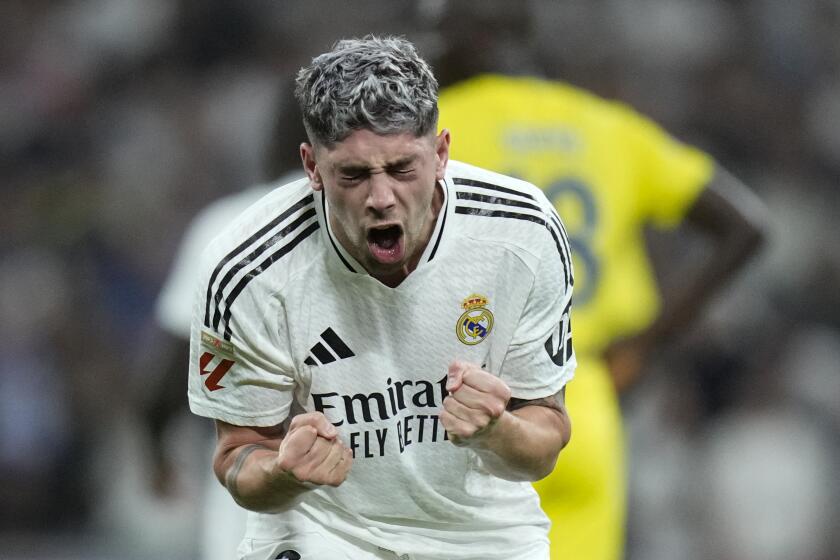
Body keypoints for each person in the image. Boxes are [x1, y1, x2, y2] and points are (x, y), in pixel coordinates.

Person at [187, 36, 576, 559]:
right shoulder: (249, 268)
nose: (381, 198)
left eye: (401, 169)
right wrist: (284, 472)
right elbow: (237, 458)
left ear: (441, 153)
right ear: (311, 166)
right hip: (324, 530)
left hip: (479, 531)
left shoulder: (521, 234)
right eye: (352, 174)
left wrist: (497, 430)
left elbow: (544, 442)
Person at [432, 3, 768, 559]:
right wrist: (647, 345)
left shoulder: (436, 127)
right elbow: (745, 227)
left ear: (472, 37)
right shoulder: (606, 126)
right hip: (585, 402)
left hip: (464, 403)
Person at [139, 82, 307, 559]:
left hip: (256, 493)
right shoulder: (382, 224)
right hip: (367, 483)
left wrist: (155, 449)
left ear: (275, 142)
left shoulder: (228, 224)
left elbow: (175, 365)